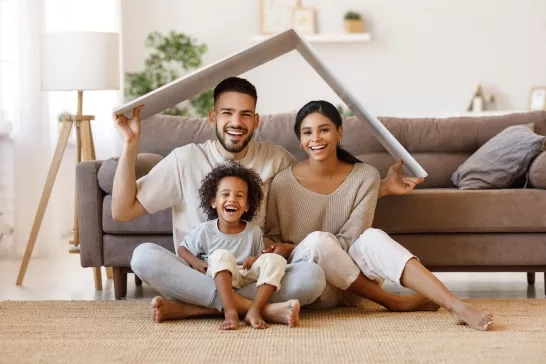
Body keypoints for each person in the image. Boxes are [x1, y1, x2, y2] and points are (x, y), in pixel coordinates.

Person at [112, 76, 421, 323]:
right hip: (199, 275)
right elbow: (123, 211)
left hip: (254, 275)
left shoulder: (276, 159)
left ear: (256, 120)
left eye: (245, 114)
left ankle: (199, 308)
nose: (236, 122)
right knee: (143, 257)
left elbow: (321, 191)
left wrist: (379, 187)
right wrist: (130, 144)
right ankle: (256, 309)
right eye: (227, 113)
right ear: (212, 117)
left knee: (311, 277)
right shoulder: (184, 160)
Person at [264, 100, 494, 331]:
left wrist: (293, 247)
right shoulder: (283, 182)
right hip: (315, 284)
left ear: (339, 132)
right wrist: (288, 250)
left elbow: (353, 239)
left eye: (324, 129)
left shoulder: (365, 176)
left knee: (371, 236)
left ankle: (456, 306)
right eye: (307, 132)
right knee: (317, 241)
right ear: (300, 139)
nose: (316, 138)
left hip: (354, 287)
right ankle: (394, 302)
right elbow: (272, 238)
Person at [179, 162, 296, 330]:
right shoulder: (204, 230)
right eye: (225, 194)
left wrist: (255, 259)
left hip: (246, 278)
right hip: (219, 277)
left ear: (247, 206)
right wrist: (196, 262)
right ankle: (230, 311)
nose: (232, 199)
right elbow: (182, 249)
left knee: (274, 259)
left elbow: (260, 261)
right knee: (221, 255)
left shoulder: (254, 231)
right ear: (213, 201)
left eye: (240, 196)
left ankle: (254, 310)